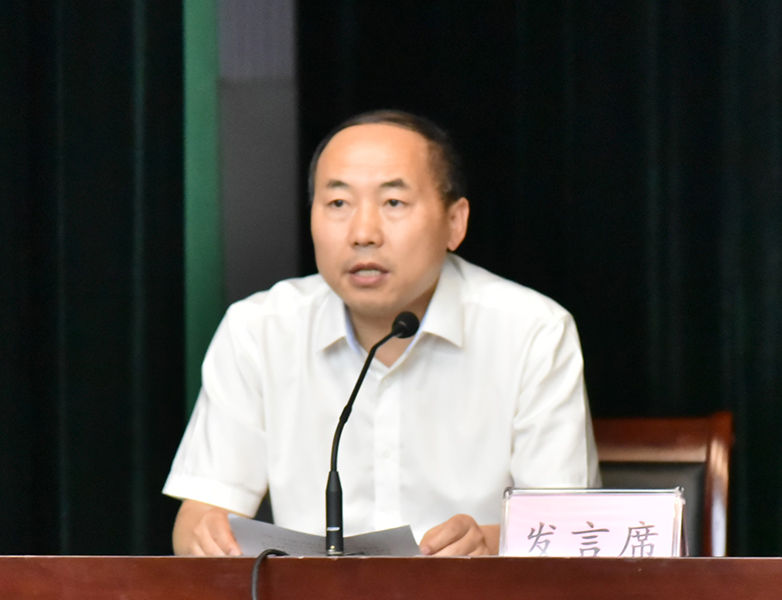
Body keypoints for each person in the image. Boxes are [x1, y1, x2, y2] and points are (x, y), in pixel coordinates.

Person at [164, 110, 600, 557]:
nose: (363, 234)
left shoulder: (532, 332)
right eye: (338, 204)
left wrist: (486, 544)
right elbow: (200, 516)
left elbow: (570, 532)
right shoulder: (259, 330)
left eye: (393, 203)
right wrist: (207, 537)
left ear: (455, 223)